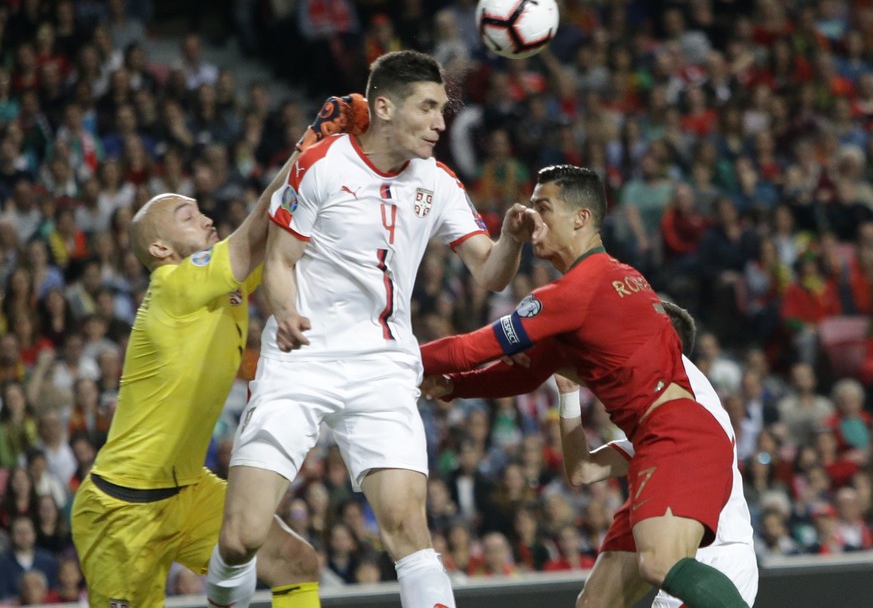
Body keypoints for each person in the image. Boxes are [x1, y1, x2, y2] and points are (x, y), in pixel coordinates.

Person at [207, 50, 542, 608]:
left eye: (443, 109)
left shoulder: (437, 181)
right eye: (428, 108)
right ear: (383, 107)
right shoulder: (320, 165)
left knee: (409, 530)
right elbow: (282, 261)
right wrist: (286, 313)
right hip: (303, 359)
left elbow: (489, 273)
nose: (441, 122)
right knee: (241, 537)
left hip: (383, 367)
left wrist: (509, 239)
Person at [70, 95, 369, 608]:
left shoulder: (222, 286)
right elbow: (254, 234)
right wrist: (310, 145)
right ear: (161, 250)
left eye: (203, 211)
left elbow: (275, 232)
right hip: (120, 508)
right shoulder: (170, 286)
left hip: (188, 491)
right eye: (189, 217)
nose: (207, 219)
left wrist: (344, 161)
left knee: (295, 562)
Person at [419, 165, 750, 608]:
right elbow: (525, 373)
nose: (532, 217)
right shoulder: (614, 282)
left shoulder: (575, 292)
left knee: (659, 563)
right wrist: (451, 389)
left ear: (580, 218)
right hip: (656, 440)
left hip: (676, 435)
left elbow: (470, 349)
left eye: (543, 208)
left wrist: (394, 359)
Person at [422, 301, 758, 607]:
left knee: (658, 564)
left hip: (717, 554)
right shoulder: (654, 424)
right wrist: (567, 395)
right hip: (665, 483)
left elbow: (552, 355)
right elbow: (582, 471)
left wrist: (464, 378)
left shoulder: (690, 412)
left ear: (664, 340)